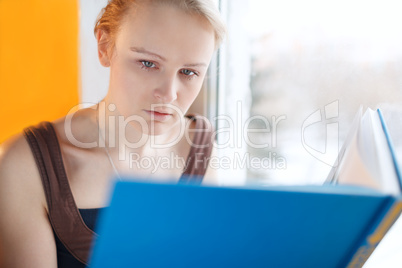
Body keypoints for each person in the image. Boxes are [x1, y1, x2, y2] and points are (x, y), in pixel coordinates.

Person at [0, 0, 226, 267]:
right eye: (148, 63)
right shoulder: (24, 167)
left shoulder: (201, 150)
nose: (168, 94)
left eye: (189, 72)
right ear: (105, 46)